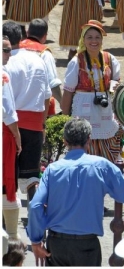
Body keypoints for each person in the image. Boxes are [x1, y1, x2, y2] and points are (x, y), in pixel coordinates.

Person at [27, 118, 124, 267]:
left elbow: (35, 205)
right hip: (87, 246)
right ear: (89, 140)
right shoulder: (101, 166)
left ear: (65, 141)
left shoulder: (52, 170)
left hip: (57, 244)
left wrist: (35, 240)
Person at [60, 21, 124, 165]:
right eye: (89, 37)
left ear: (102, 40)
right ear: (83, 39)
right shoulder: (77, 61)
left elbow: (117, 81)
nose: (94, 41)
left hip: (104, 109)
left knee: (109, 142)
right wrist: (65, 118)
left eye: (97, 37)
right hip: (83, 108)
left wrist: (113, 86)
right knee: (83, 141)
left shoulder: (110, 59)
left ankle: (106, 173)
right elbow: (67, 91)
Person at [2, 21, 50, 208]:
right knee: (32, 177)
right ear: (21, 39)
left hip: (9, 125)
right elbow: (47, 96)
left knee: (7, 174)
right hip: (35, 122)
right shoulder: (37, 59)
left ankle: (5, 226)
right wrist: (43, 124)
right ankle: (36, 215)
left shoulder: (5, 61)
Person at [2, 44, 22, 242]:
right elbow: (7, 111)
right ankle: (12, 237)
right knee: (6, 184)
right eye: (5, 50)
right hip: (4, 133)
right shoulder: (3, 77)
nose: (9, 54)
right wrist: (17, 136)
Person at [21, 18, 63, 107]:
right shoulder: (45, 53)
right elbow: (53, 83)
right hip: (38, 105)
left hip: (16, 103)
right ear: (45, 36)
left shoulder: (15, 48)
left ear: (27, 32)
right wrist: (63, 104)